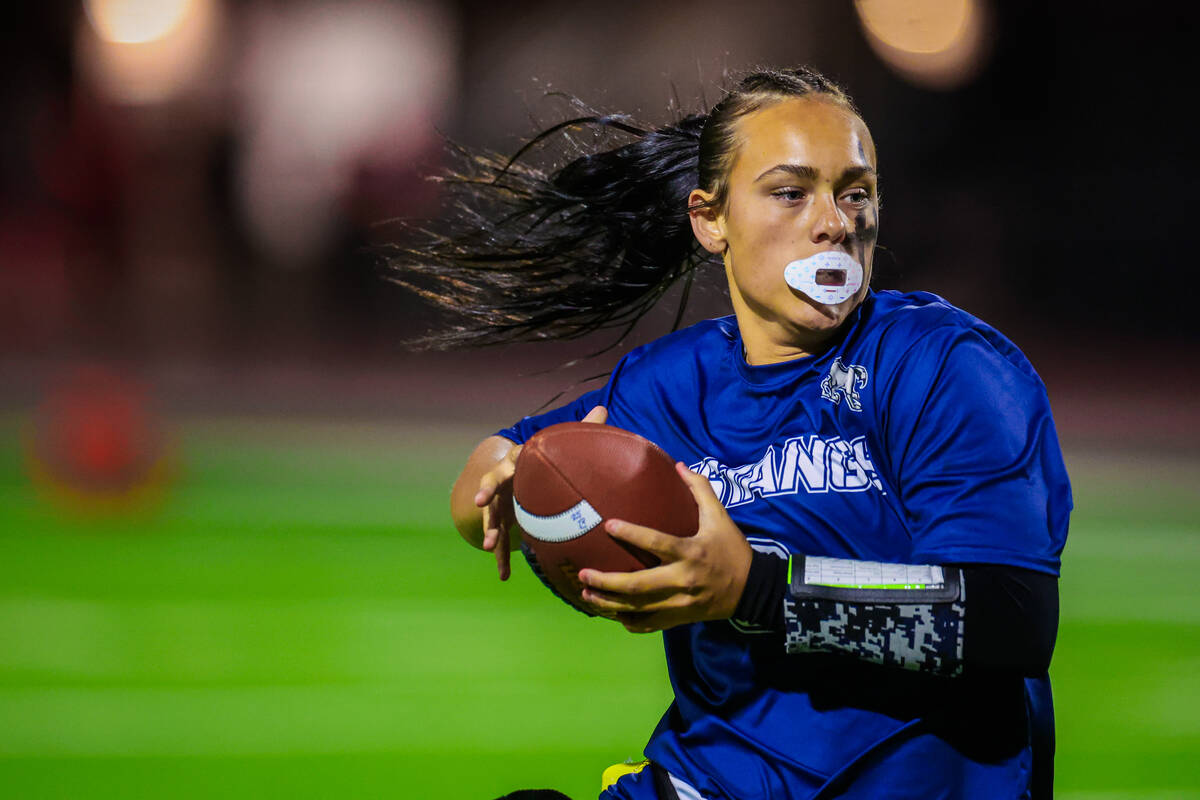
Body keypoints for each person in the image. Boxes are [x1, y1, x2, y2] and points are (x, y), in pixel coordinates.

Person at [392, 66, 1071, 800]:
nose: (834, 222)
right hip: (715, 782)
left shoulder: (944, 366)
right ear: (710, 219)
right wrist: (501, 484)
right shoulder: (668, 387)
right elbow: (501, 468)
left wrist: (752, 590)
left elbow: (1010, 619)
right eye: (790, 192)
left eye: (856, 192)